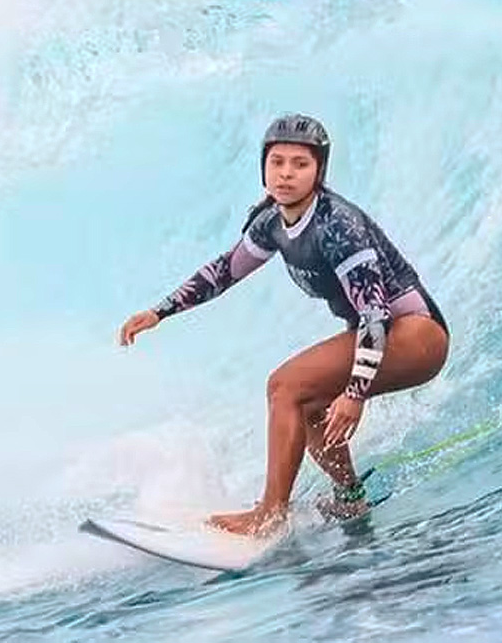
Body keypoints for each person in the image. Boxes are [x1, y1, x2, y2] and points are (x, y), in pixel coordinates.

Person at [117, 114, 450, 538]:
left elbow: (374, 313)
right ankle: (349, 498)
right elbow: (225, 271)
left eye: (300, 164)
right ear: (264, 168)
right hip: (381, 335)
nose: (287, 174)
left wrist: (354, 393)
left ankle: (269, 515)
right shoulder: (272, 222)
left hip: (416, 333)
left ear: (319, 171)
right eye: (277, 163)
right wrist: (160, 312)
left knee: (284, 385)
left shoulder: (338, 226)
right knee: (306, 403)